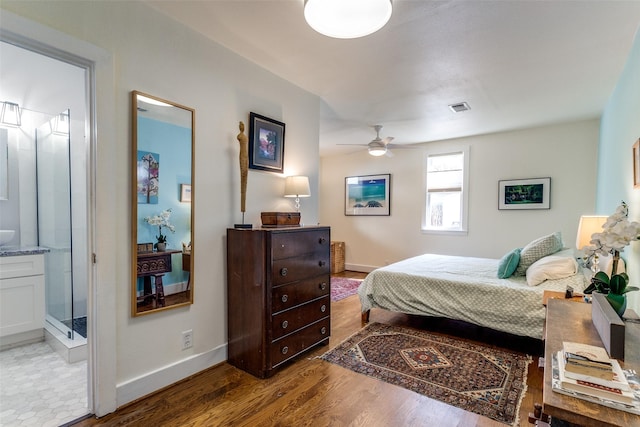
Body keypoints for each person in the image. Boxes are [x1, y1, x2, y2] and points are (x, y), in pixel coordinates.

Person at [237, 121, 249, 213]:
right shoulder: (240, 136)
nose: (242, 127)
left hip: (245, 157)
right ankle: (242, 208)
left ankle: (243, 207)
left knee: (244, 178)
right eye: (241, 126)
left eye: (242, 126)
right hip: (242, 156)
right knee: (242, 177)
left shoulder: (243, 136)